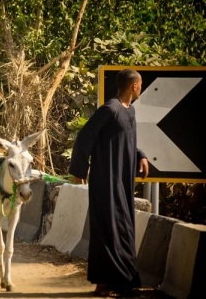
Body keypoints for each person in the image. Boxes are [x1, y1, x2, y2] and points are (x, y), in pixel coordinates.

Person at [68, 68, 149, 297]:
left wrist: (141, 155)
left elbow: (127, 140)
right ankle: (118, 283)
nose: (141, 88)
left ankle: (108, 283)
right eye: (140, 84)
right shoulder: (110, 109)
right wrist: (79, 169)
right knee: (109, 229)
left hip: (122, 180)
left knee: (121, 226)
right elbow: (85, 137)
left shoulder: (129, 111)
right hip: (105, 180)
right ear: (134, 86)